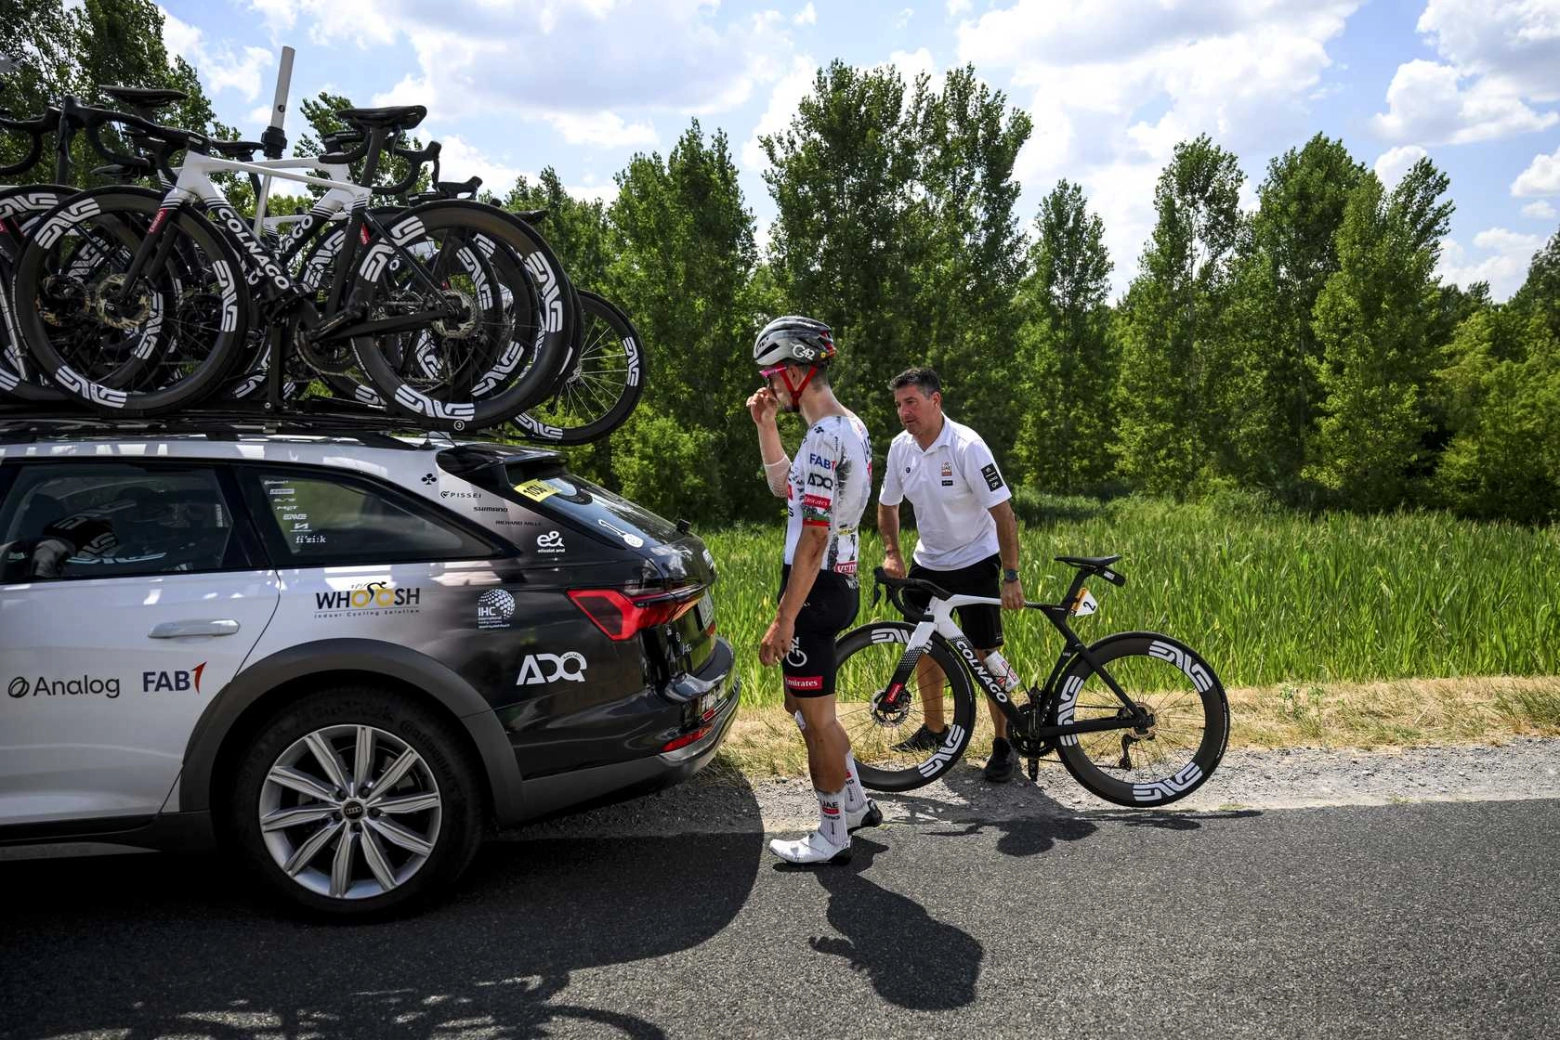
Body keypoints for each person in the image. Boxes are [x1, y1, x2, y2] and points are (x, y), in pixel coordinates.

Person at [746, 315, 881, 865]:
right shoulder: (846, 426)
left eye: (773, 376)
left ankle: (831, 834)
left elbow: (815, 534)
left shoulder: (825, 438)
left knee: (816, 722)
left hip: (815, 587)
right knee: (801, 706)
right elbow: (789, 489)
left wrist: (785, 618)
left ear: (797, 371)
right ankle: (855, 803)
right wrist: (766, 426)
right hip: (833, 581)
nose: (769, 386)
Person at [877, 366, 1026, 781]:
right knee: (923, 645)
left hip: (976, 561)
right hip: (929, 563)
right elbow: (887, 505)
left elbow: (1004, 514)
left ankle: (1005, 740)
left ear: (935, 400)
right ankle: (935, 729)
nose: (904, 412)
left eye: (911, 402)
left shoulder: (967, 446)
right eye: (899, 405)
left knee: (985, 653)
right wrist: (893, 553)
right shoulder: (900, 448)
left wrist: (1010, 575)